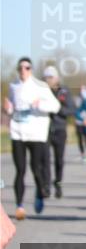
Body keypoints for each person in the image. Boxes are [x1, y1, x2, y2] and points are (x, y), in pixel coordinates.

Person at [4, 58, 59, 219]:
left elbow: (55, 106)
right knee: (20, 170)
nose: (23, 70)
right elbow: (12, 109)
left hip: (36, 133)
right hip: (18, 132)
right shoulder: (13, 86)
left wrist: (40, 104)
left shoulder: (41, 86)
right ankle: (19, 206)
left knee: (36, 168)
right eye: (20, 68)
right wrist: (8, 109)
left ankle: (39, 193)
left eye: (27, 67)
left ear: (31, 69)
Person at [42, 66, 75, 199]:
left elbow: (72, 109)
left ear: (57, 78)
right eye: (46, 78)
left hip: (60, 129)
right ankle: (46, 185)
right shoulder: (41, 91)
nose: (49, 80)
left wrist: (57, 109)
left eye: (51, 77)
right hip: (44, 129)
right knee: (44, 159)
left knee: (59, 159)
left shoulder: (64, 91)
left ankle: (58, 182)